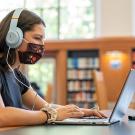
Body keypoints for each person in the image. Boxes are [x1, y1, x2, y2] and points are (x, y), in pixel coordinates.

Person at [0, 8, 106, 127]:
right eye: (37, 38)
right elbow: (1, 116)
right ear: (13, 37)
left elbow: (46, 107)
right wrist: (50, 115)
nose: (42, 44)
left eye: (43, 39)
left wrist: (81, 112)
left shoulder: (16, 75)